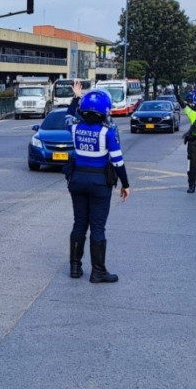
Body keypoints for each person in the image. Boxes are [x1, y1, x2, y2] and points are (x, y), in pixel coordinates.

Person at [65, 81, 130, 283]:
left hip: (77, 180)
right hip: (100, 183)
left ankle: (75, 268)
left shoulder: (75, 128)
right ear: (106, 111)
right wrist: (125, 184)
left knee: (79, 224)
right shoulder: (107, 132)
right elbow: (118, 162)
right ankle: (98, 271)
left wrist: (76, 96)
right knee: (98, 227)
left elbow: (68, 115)